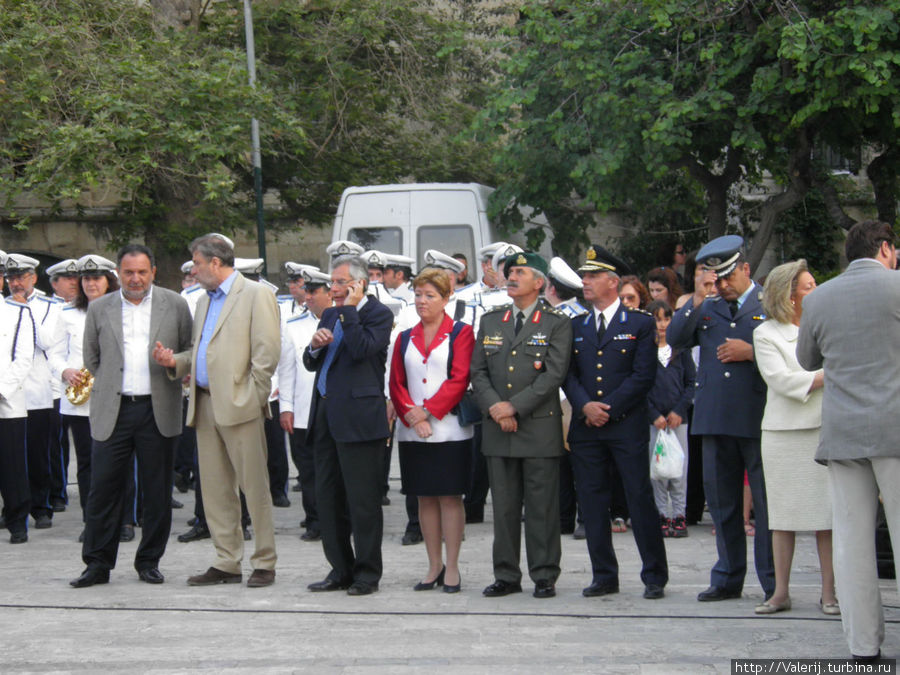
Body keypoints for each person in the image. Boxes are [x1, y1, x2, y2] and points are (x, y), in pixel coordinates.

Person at [153, 233, 281, 589]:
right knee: (215, 489)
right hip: (205, 404)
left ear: (214, 262)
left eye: (195, 263)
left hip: (241, 406)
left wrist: (252, 398)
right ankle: (227, 561)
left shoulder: (257, 294)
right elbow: (199, 349)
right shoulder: (203, 303)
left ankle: (264, 561)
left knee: (254, 488)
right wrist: (174, 362)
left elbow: (267, 353)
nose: (192, 271)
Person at [797, 220, 900, 660]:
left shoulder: (819, 297)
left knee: (852, 543)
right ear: (884, 248)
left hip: (843, 431)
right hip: (895, 428)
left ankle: (863, 646)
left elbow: (806, 359)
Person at [69, 245, 193, 587]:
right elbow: (92, 359)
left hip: (158, 409)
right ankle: (97, 564)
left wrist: (172, 361)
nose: (135, 279)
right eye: (128, 272)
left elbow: (190, 350)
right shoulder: (101, 308)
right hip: (114, 409)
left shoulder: (176, 304)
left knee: (156, 493)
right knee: (103, 490)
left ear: (153, 271)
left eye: (141, 272)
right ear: (118, 275)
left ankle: (149, 561)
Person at [668, 235, 774, 602]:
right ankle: (727, 577)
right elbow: (677, 338)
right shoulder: (708, 305)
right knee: (723, 504)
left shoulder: (768, 302)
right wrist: (696, 298)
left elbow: (793, 354)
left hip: (757, 415)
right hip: (714, 416)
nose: (723, 285)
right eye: (717, 278)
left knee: (765, 505)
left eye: (729, 277)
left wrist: (753, 353)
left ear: (746, 269)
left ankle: (772, 581)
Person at [563, 245, 668, 600]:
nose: (585, 281)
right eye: (584, 276)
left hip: (624, 425)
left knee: (638, 498)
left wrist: (606, 407)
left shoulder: (638, 323)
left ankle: (654, 574)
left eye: (592, 276)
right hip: (587, 428)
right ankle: (603, 575)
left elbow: (642, 376)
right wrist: (585, 407)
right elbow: (569, 375)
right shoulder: (575, 325)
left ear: (612, 282)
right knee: (592, 502)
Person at [471, 251, 572, 599]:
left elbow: (554, 375)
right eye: (509, 271)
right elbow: (478, 372)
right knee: (503, 506)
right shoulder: (491, 321)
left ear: (539, 282)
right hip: (498, 427)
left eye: (520, 272)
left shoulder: (556, 322)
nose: (511, 276)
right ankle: (506, 575)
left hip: (538, 427)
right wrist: (497, 409)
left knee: (542, 507)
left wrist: (513, 407)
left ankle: (544, 575)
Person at [303, 255, 393, 596]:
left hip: (358, 418)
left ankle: (367, 573)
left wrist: (350, 310)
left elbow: (361, 350)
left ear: (360, 284)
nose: (334, 289)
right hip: (325, 413)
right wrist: (313, 347)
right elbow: (313, 363)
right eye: (333, 283)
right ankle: (339, 568)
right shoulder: (329, 313)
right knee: (328, 498)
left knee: (362, 501)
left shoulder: (378, 314)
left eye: (340, 283)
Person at [752, 259, 836, 615]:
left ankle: (830, 593)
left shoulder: (827, 326)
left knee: (827, 518)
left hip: (823, 430)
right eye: (808, 285)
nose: (815, 290)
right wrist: (827, 375)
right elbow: (781, 380)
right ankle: (780, 592)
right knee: (782, 518)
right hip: (783, 435)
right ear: (788, 295)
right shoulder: (765, 333)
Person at [389, 267, 474, 593]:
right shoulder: (404, 336)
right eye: (419, 295)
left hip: (449, 429)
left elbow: (459, 379)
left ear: (445, 299)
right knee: (424, 497)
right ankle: (433, 564)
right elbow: (396, 382)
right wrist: (412, 415)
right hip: (413, 431)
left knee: (450, 497)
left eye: (430, 296)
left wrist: (427, 412)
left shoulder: (461, 333)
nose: (422, 301)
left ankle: (452, 566)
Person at [48, 255, 123, 540]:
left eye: (97, 278)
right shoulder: (66, 314)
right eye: (87, 279)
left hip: (114, 395)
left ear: (108, 281)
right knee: (87, 463)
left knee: (118, 460)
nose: (91, 284)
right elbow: (54, 353)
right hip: (80, 399)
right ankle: (91, 521)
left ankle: (123, 519)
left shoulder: (120, 311)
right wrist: (65, 371)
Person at [5, 254, 63, 530]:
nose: (16, 283)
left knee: (39, 453)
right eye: (12, 278)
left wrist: (24, 310)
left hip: (37, 390)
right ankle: (12, 507)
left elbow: (47, 341)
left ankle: (42, 506)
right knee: (11, 456)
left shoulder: (50, 307)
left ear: (33, 279)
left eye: (21, 278)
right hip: (10, 394)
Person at [279, 268, 333, 542]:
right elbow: (286, 369)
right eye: (306, 291)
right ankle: (314, 520)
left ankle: (335, 518)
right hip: (302, 412)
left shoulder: (344, 320)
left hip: (334, 411)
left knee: (332, 469)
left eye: (314, 291)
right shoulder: (292, 325)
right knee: (308, 470)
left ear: (329, 292)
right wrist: (285, 407)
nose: (308, 297)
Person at [645, 300, 695, 539]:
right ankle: (660, 514)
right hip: (655, 422)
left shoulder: (681, 351)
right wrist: (653, 414)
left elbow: (691, 384)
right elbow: (640, 387)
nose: (662, 325)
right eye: (657, 319)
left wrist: (679, 410)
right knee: (657, 470)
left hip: (678, 421)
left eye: (666, 319)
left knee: (678, 470)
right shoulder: (644, 351)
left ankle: (679, 513)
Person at [0, 251, 36, 543]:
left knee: (12, 464)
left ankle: (17, 520)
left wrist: (1, 390)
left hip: (7, 401)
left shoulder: (18, 313)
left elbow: (23, 359)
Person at [46, 258, 79, 513]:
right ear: (54, 284)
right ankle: (57, 491)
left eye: (75, 278)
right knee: (57, 442)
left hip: (81, 385)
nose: (73, 283)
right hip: (54, 386)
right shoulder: (46, 308)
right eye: (67, 279)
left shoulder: (84, 308)